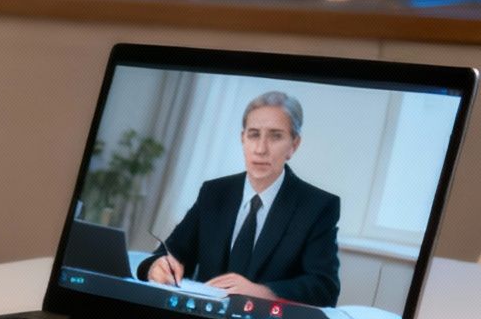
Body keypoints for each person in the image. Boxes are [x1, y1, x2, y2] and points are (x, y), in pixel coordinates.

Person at [137, 90, 341, 306]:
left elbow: (325, 288)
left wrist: (261, 291)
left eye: (275, 136)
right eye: (254, 134)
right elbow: (167, 254)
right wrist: (155, 267)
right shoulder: (214, 193)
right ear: (242, 139)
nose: (261, 149)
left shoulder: (317, 206)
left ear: (293, 145)